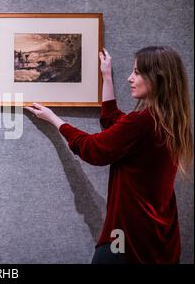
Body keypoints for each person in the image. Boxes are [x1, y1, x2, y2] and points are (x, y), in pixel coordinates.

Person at [25, 46, 193, 264]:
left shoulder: (142, 122)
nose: (130, 78)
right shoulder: (170, 122)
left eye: (137, 72)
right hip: (162, 239)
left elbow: (94, 150)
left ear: (157, 78)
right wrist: (106, 76)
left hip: (127, 238)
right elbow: (114, 122)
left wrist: (55, 120)